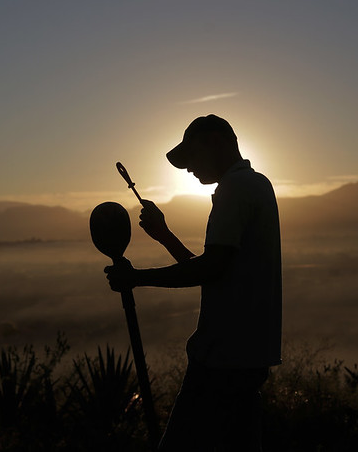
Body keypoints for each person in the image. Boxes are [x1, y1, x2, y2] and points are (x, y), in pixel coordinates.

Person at [105, 114, 282, 451]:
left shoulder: (234, 189)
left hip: (222, 361)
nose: (188, 169)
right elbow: (216, 271)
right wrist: (164, 235)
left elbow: (209, 270)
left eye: (192, 157)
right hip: (248, 359)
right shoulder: (259, 184)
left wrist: (136, 278)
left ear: (216, 141)